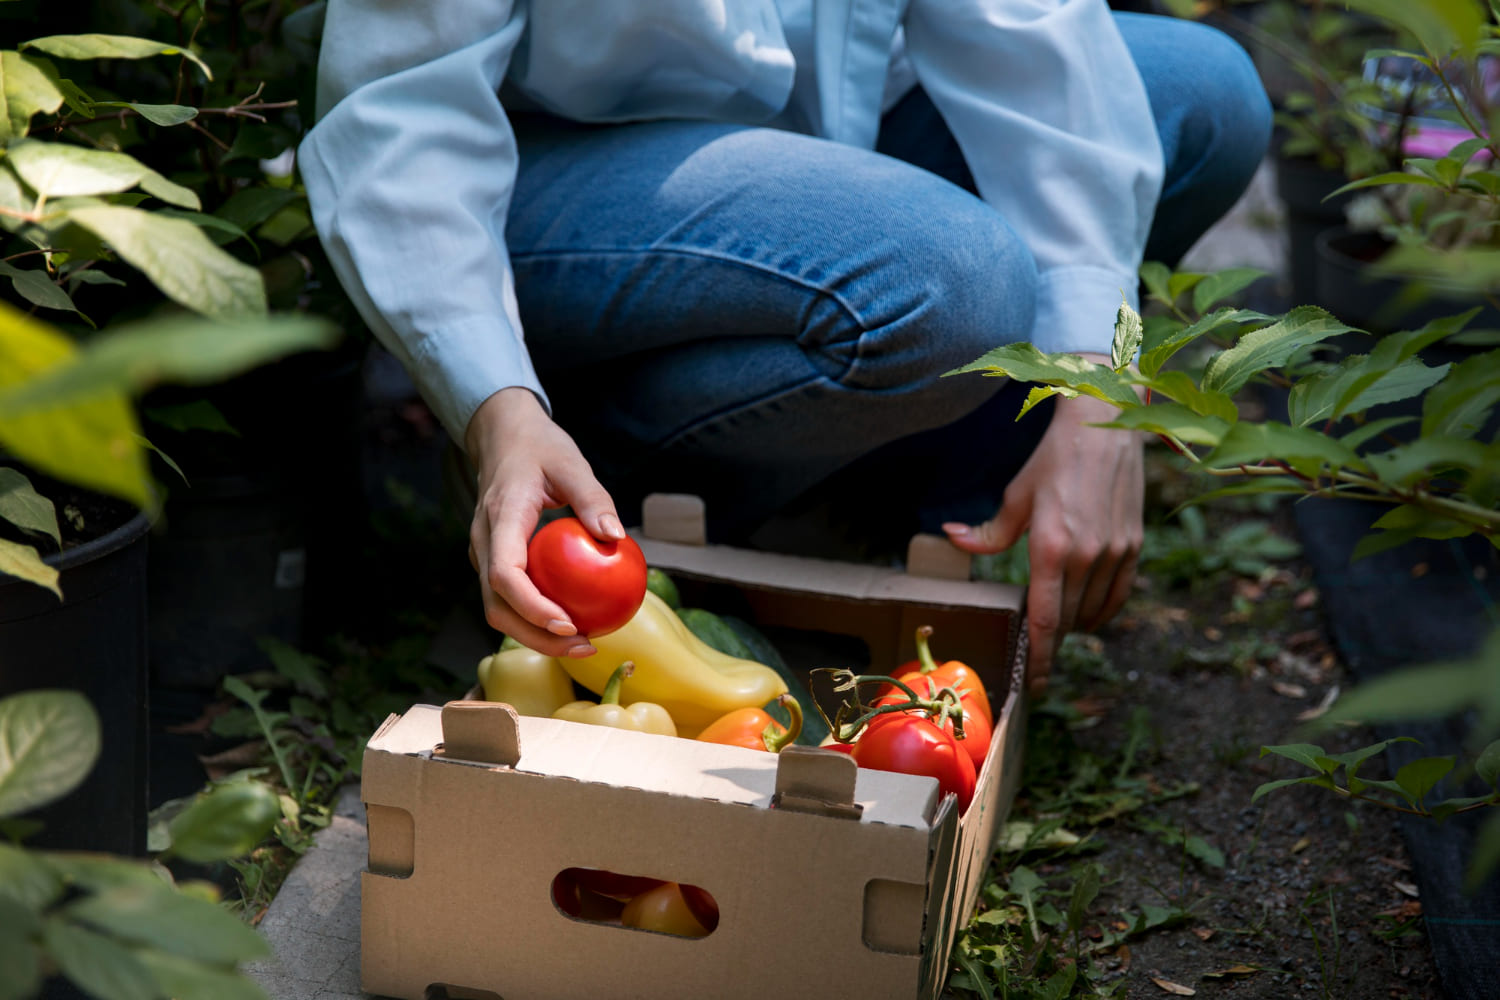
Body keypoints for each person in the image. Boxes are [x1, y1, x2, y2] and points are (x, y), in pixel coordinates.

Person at [300, 0, 1272, 693]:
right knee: (945, 278)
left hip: (830, 166)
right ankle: (595, 488)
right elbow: (404, 106)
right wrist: (494, 404)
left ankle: (887, 521)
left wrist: (1097, 384)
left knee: (1200, 94)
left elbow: (1030, 31)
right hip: (544, 182)